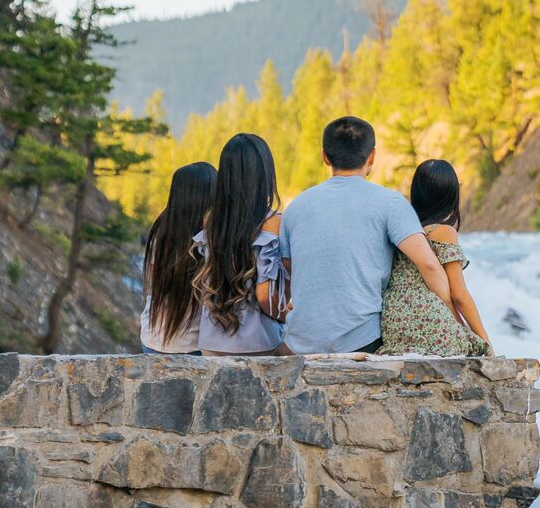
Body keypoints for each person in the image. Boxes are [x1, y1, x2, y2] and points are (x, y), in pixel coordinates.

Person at [280, 116, 450, 354]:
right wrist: (450, 315)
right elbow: (429, 266)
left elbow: (289, 272)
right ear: (372, 156)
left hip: (300, 342)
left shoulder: (295, 208)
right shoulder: (390, 203)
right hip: (362, 341)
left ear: (325, 157)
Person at [380, 160, 491, 357]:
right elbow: (459, 295)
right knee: (476, 347)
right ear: (451, 196)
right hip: (432, 319)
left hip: (393, 324)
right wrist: (485, 340)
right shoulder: (443, 232)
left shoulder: (403, 234)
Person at [193, 134, 288, 355]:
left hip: (211, 344)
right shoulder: (273, 223)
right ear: (265, 174)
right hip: (257, 344)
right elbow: (265, 297)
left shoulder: (211, 220)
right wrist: (287, 316)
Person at [139, 161, 215, 354]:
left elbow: (152, 280)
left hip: (152, 337)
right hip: (192, 345)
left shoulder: (162, 229)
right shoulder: (209, 238)